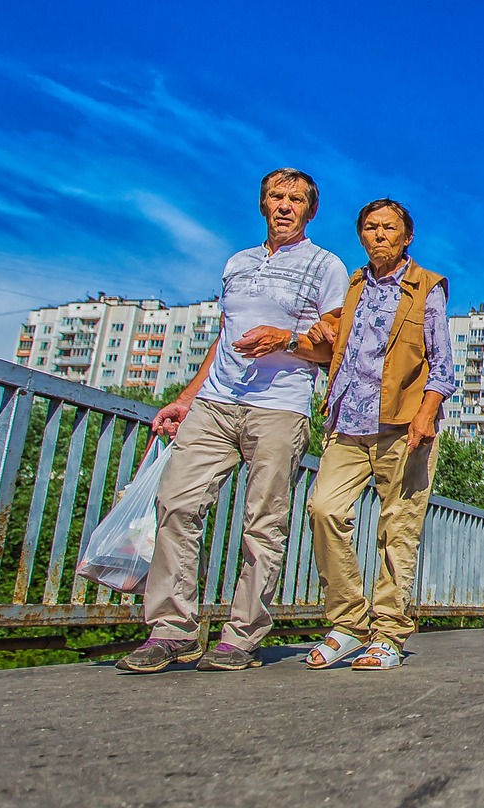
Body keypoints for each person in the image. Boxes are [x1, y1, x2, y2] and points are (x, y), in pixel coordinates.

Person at [117, 168, 349, 674]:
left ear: (311, 210)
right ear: (262, 204)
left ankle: (242, 636)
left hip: (280, 407)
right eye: (275, 197)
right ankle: (172, 631)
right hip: (216, 402)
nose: (284, 206)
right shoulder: (237, 263)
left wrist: (285, 340)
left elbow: (336, 343)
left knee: (262, 524)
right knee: (176, 505)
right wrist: (186, 397)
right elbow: (224, 339)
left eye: (295, 200)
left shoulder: (326, 265)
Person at [301, 199, 456, 671]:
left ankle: (387, 631)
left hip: (403, 426)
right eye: (370, 228)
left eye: (389, 228)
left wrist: (426, 415)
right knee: (323, 508)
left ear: (407, 237)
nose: (379, 235)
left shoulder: (426, 287)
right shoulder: (353, 287)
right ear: (361, 236)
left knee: (398, 530)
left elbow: (443, 365)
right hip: (347, 422)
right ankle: (347, 622)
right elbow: (338, 352)